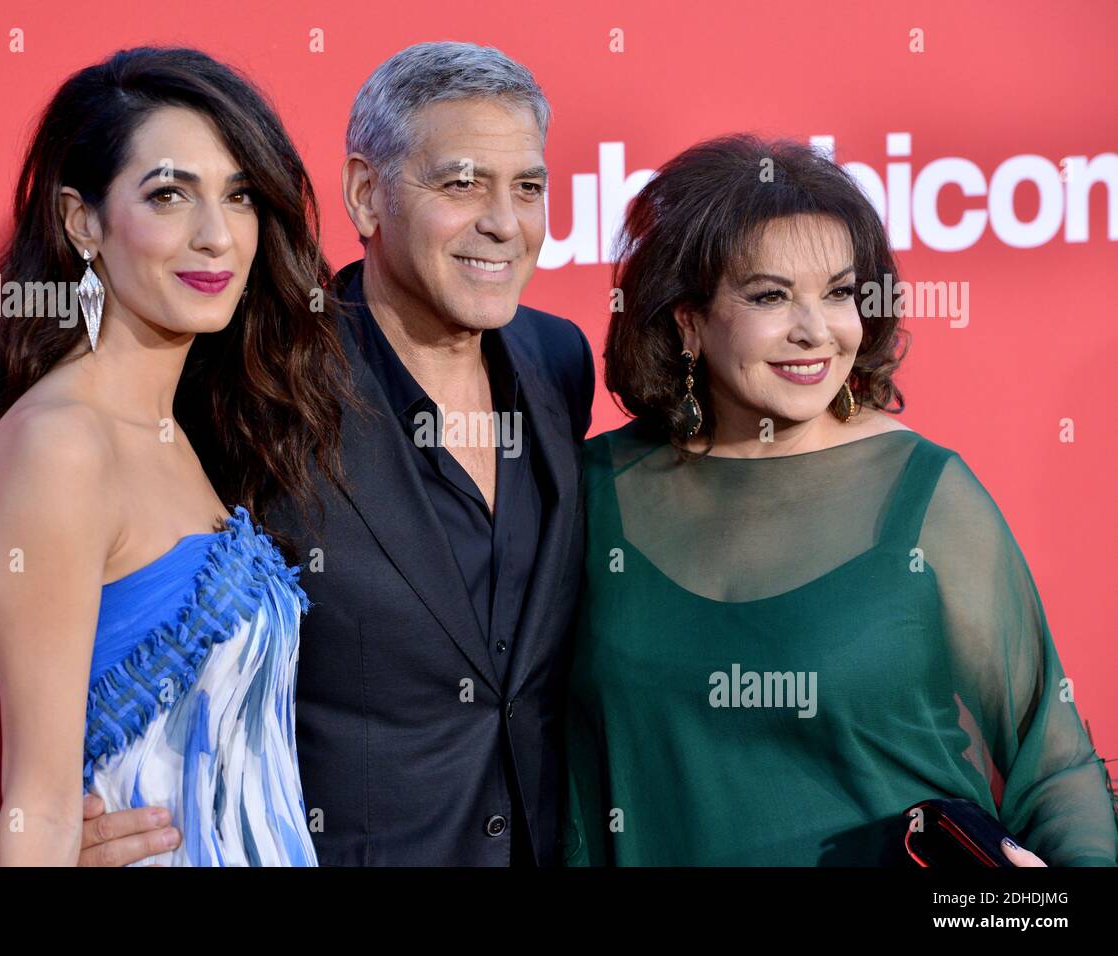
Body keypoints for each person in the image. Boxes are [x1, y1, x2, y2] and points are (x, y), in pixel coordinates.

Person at [78, 41, 594, 866]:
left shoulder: (559, 359)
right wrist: (74, 810)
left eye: (527, 187)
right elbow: (123, 605)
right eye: (462, 183)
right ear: (366, 193)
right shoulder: (248, 382)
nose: (506, 221)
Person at [563, 134, 1118, 866]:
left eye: (838, 293)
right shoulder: (589, 490)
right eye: (769, 295)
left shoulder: (926, 493)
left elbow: (1052, 762)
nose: (815, 330)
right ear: (687, 321)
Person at [0, 47, 352, 865]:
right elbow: (41, 810)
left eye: (238, 196)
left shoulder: (188, 430)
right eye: (168, 195)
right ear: (81, 221)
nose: (216, 235)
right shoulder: (60, 446)